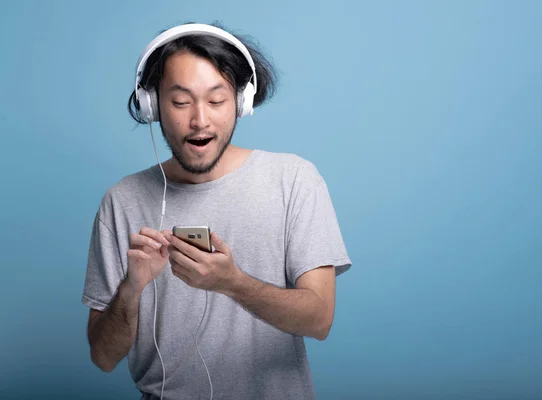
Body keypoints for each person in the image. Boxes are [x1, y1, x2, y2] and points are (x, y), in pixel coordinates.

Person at [82, 22, 351, 400]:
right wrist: (132, 287)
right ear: (152, 105)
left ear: (241, 102)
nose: (199, 120)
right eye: (179, 101)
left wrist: (232, 283)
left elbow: (320, 319)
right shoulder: (122, 200)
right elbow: (103, 357)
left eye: (216, 100)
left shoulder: (295, 181)